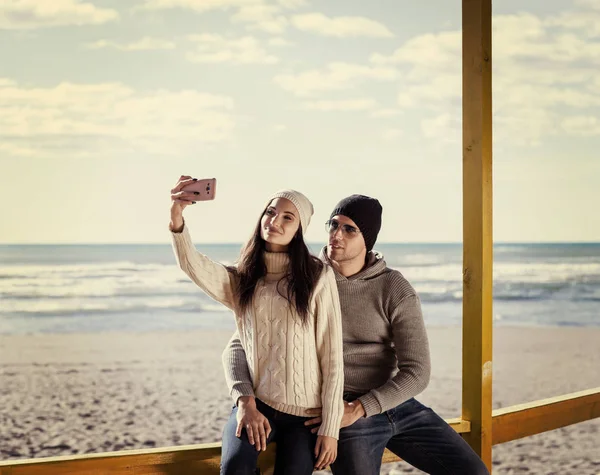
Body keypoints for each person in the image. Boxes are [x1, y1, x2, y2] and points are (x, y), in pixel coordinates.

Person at [223, 194, 490, 475]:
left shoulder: (394, 287)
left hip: (393, 402)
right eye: (333, 225)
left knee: (475, 471)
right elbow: (243, 340)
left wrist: (363, 407)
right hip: (339, 408)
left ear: (368, 239)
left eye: (350, 229)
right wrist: (245, 398)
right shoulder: (302, 278)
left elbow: (418, 371)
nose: (337, 235)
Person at [169, 176, 344, 475]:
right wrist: (177, 218)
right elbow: (194, 266)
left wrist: (331, 429)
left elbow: (332, 358)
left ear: (299, 229)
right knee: (235, 467)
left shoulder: (317, 276)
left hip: (305, 419)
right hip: (256, 408)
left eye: (288, 217)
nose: (275, 220)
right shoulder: (245, 278)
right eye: (270, 212)